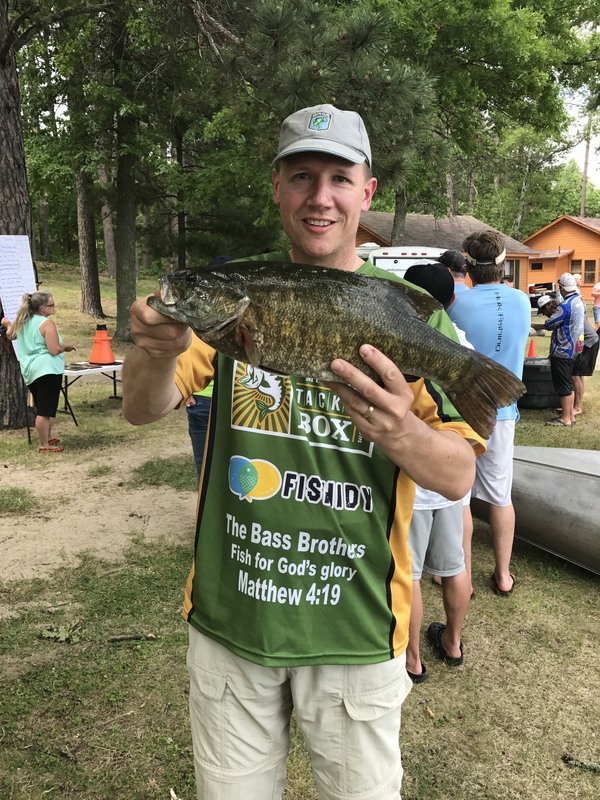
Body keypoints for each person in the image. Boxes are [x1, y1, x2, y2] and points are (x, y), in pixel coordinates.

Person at [122, 103, 484, 800]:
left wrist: (403, 433)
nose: (321, 197)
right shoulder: (235, 298)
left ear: (366, 192)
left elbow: (460, 474)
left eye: (339, 179)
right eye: (302, 177)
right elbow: (142, 408)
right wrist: (155, 350)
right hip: (232, 621)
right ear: (277, 188)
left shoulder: (412, 312)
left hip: (356, 631)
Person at [449, 230, 531, 597]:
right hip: (503, 410)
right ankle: (503, 574)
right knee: (500, 496)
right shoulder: (522, 301)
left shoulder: (456, 304)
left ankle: (458, 574)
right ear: (503, 264)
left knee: (460, 496)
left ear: (467, 266)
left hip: (463, 410)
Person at [402, 263, 474, 681]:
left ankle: (413, 659)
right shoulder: (461, 340)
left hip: (414, 480)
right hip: (453, 480)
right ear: (451, 300)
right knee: (455, 566)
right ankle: (453, 642)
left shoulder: (400, 336)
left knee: (409, 575)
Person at [1, 292, 76, 453]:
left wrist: (7, 324)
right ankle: (44, 445)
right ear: (41, 308)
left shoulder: (23, 321)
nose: (54, 307)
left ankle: (47, 438)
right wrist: (66, 347)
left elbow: (10, 334)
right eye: (51, 305)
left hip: (30, 371)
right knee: (44, 411)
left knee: (43, 406)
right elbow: (54, 349)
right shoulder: (46, 324)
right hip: (47, 369)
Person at [537, 286, 587, 422]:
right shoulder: (572, 307)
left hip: (563, 353)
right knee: (568, 384)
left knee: (563, 386)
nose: (544, 315)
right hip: (572, 351)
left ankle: (565, 418)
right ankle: (570, 415)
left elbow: (549, 324)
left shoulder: (562, 310)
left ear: (547, 308)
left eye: (543, 312)